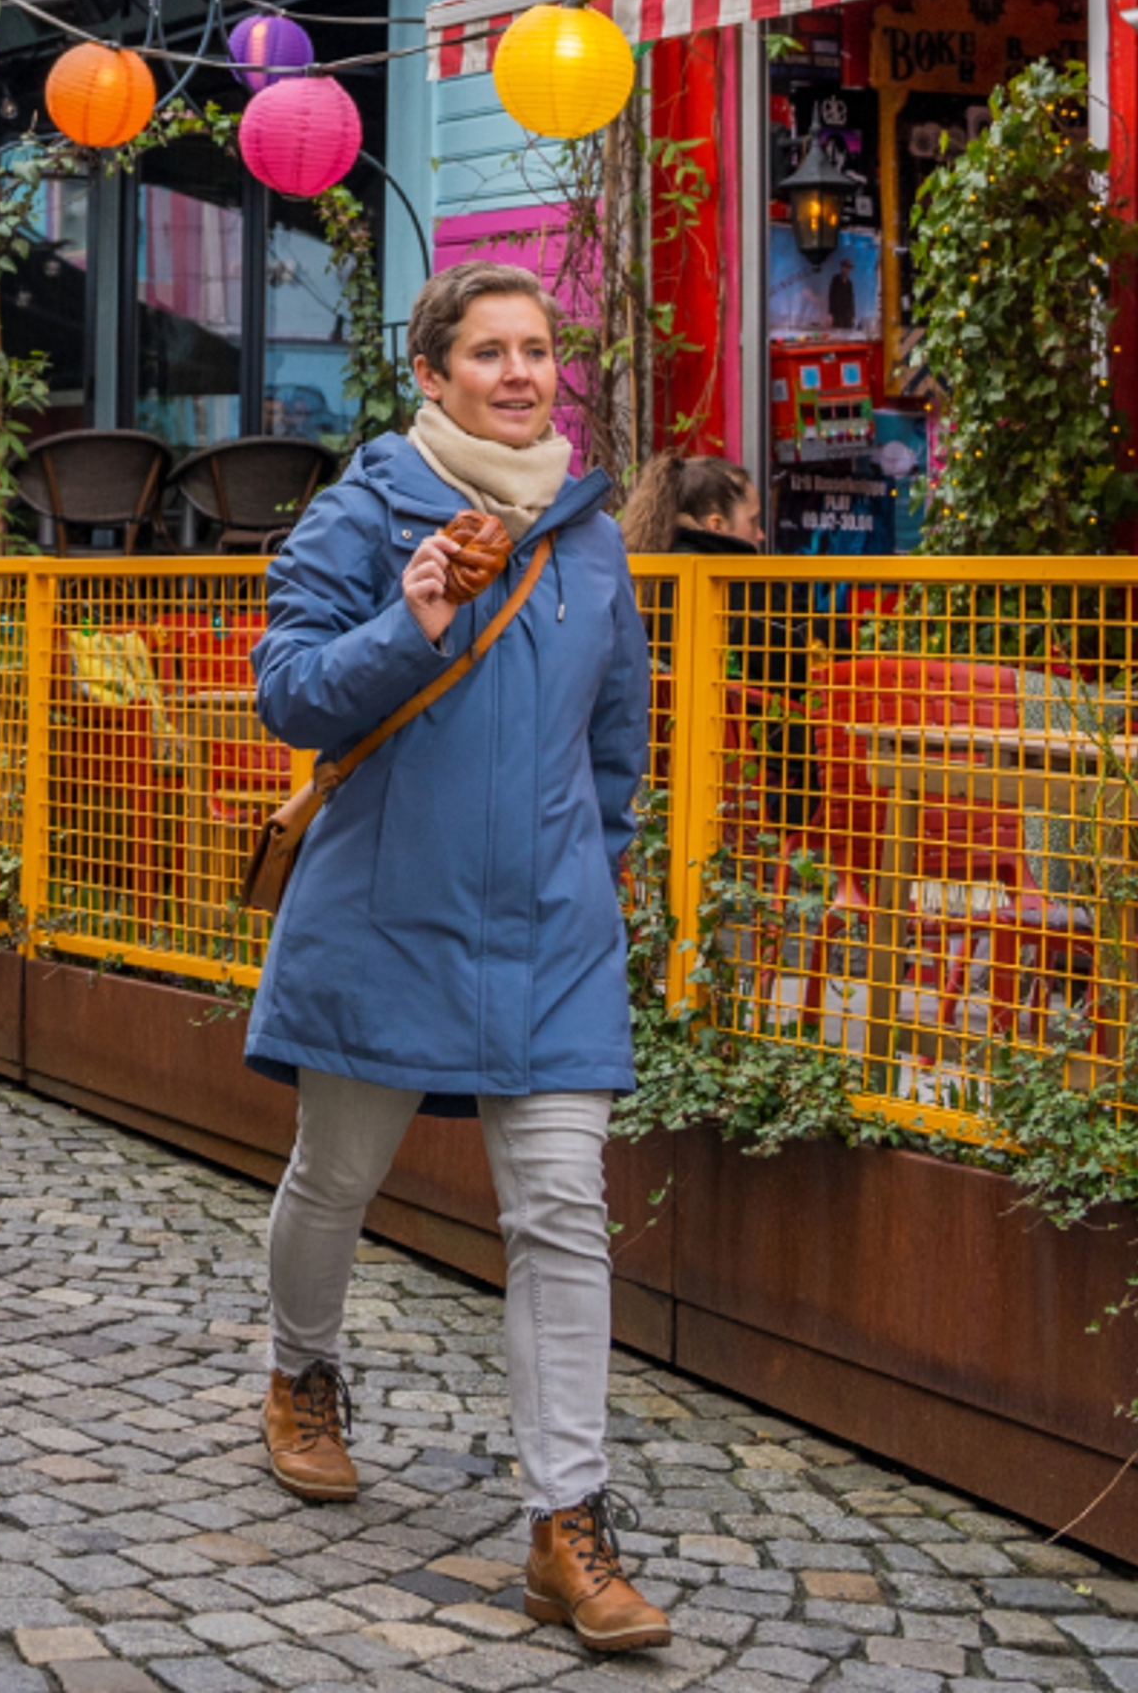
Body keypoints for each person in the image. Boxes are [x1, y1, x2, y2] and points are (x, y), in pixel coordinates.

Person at [244, 261, 669, 1654]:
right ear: (430, 375)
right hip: (385, 917)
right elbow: (288, 693)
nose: (521, 373)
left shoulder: (591, 533)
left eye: (538, 350)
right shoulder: (367, 512)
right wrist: (407, 616)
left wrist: (591, 868)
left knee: (559, 1209)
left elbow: (618, 738)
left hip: (548, 932)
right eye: (488, 352)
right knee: (339, 1178)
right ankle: (302, 1372)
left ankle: (567, 1522)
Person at [618, 453, 760, 554]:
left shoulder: (641, 575)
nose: (760, 535)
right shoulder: (748, 589)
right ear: (716, 525)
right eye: (753, 521)